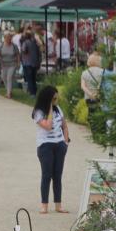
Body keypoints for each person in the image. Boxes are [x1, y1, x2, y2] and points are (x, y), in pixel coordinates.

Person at [32, 86, 70, 214]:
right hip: (45, 145)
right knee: (46, 175)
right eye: (54, 98)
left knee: (57, 176)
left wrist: (65, 142)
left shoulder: (58, 109)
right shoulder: (38, 112)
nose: (56, 100)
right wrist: (49, 108)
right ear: (48, 99)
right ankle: (44, 205)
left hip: (59, 145)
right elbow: (48, 126)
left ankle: (58, 205)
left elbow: (64, 126)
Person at [0, 31, 20, 98]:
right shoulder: (1, 45)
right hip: (4, 64)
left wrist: (18, 63)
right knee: (4, 77)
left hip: (12, 64)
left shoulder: (14, 46)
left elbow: (18, 55)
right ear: (4, 38)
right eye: (7, 38)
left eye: (10, 38)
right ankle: (9, 90)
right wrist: (0, 62)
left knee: (9, 77)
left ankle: (8, 93)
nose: (9, 39)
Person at [20, 26, 42, 96]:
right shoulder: (35, 43)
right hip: (35, 63)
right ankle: (34, 91)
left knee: (29, 78)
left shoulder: (25, 43)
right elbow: (39, 53)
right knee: (33, 78)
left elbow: (24, 51)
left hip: (27, 63)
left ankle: (32, 92)